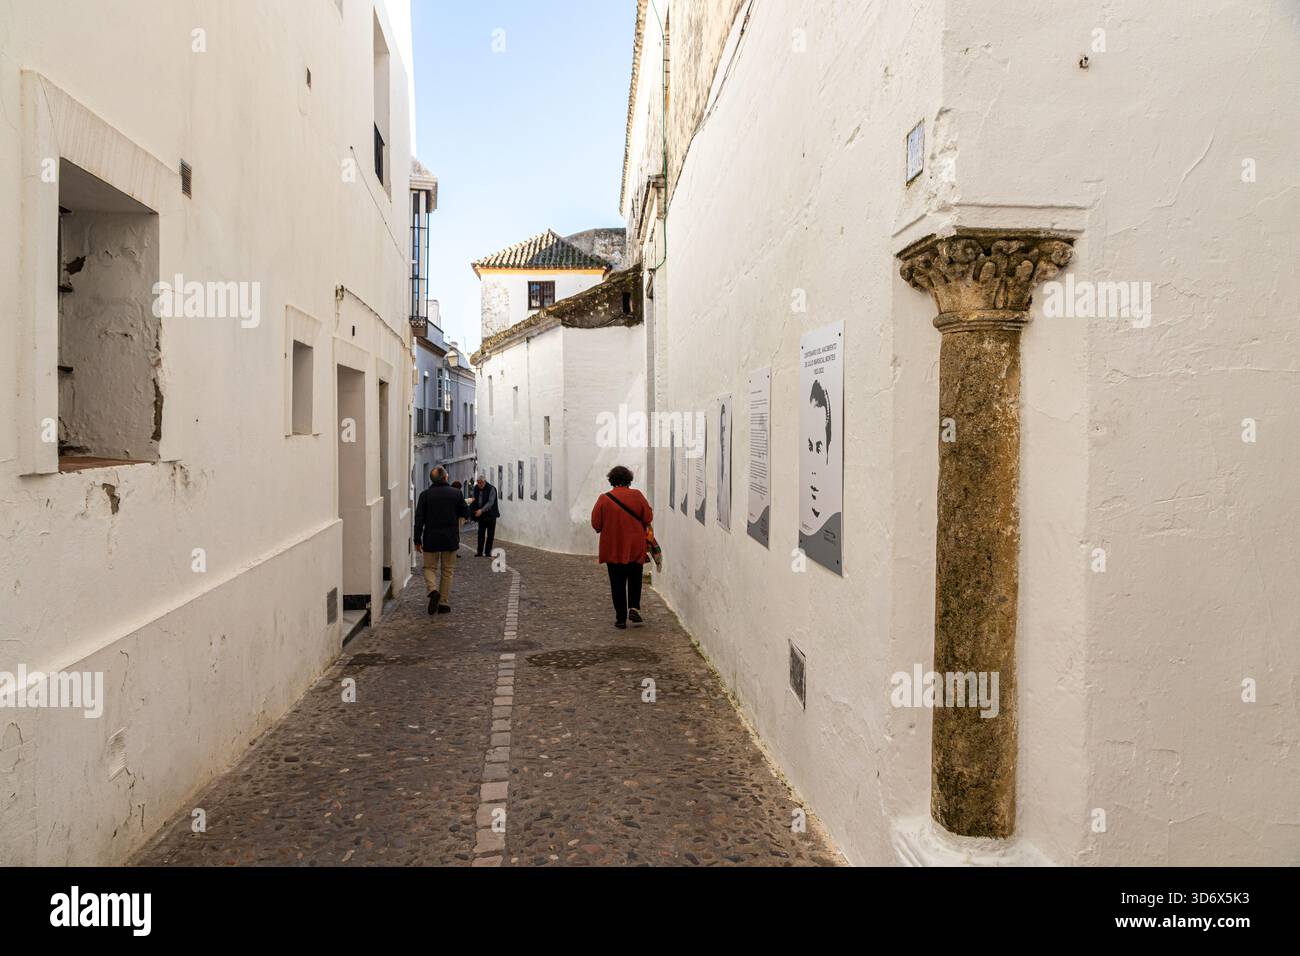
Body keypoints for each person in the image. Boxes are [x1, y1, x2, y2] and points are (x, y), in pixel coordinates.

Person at [590, 465, 653, 629]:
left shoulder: (604, 499)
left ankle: (620, 618)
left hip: (613, 547)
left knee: (617, 583)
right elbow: (648, 516)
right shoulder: (637, 495)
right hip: (635, 546)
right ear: (629, 480)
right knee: (635, 578)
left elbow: (596, 523)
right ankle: (633, 606)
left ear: (611, 480)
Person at [414, 466, 470, 616]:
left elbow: (419, 519)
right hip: (450, 538)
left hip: (431, 537)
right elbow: (465, 512)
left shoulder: (424, 495)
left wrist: (416, 539)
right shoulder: (456, 494)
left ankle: (432, 591)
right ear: (445, 477)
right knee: (447, 571)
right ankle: (443, 603)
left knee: (429, 568)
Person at [470, 473, 500, 557]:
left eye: (481, 483)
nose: (480, 485)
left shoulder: (491, 489)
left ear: (484, 481)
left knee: (490, 534)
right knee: (481, 533)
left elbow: (490, 502)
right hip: (481, 515)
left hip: (491, 514)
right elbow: (474, 499)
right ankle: (479, 551)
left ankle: (487, 552)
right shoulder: (475, 488)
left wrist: (481, 510)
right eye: (478, 483)